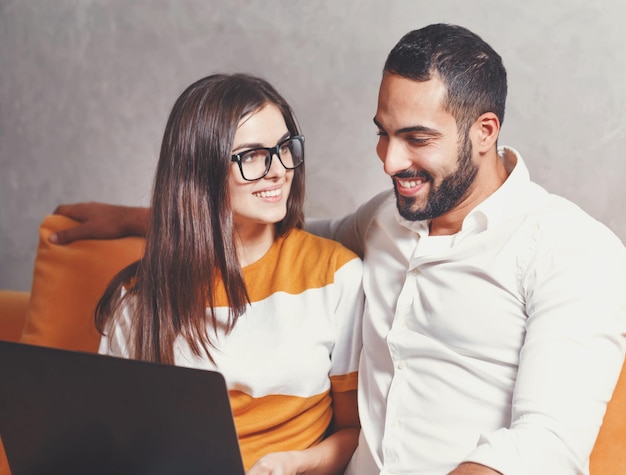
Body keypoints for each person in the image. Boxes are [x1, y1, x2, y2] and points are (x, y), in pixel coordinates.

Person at [50, 24, 626, 475]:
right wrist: (140, 218)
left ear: (484, 131)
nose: (390, 162)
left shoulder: (574, 251)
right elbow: (266, 231)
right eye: (383, 132)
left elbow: (546, 444)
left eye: (416, 139)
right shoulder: (385, 221)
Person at [90, 73, 363, 475]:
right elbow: (116, 440)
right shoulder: (138, 296)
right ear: (200, 171)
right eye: (252, 155)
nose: (278, 170)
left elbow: (359, 430)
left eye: (285, 148)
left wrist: (296, 463)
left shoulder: (335, 276)